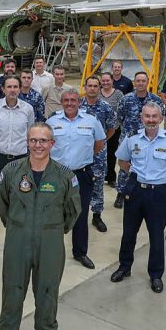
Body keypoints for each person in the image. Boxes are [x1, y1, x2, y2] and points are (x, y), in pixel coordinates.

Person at [0, 123, 81, 330]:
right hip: (17, 241)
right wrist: (18, 225)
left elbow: (72, 212)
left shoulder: (64, 176)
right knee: (11, 300)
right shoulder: (11, 171)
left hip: (50, 244)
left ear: (52, 143)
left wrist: (51, 229)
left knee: (47, 299)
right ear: (27, 142)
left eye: (43, 140)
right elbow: (1, 202)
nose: (38, 145)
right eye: (33, 140)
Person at [112, 102, 166, 293]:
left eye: (155, 117)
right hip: (135, 191)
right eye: (147, 116)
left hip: (158, 193)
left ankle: (155, 275)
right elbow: (122, 160)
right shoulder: (131, 138)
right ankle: (124, 267)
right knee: (129, 233)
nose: (151, 120)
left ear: (161, 118)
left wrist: (162, 179)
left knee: (156, 236)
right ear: (141, 118)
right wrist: (137, 176)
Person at [46, 89, 105, 269]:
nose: (70, 103)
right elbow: (45, 145)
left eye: (73, 100)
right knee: (54, 212)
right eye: (66, 100)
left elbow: (99, 143)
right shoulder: (52, 121)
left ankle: (80, 252)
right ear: (62, 102)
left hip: (82, 174)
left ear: (79, 102)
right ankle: (52, 251)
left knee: (80, 213)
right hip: (57, 174)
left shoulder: (91, 121)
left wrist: (83, 158)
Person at [0, 75, 35, 258]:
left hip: (20, 162)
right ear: (2, 89)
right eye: (9, 87)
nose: (12, 90)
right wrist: (0, 149)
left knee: (20, 202)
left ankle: (17, 243)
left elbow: (31, 135)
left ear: (20, 89)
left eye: (15, 86)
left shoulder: (27, 109)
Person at [114, 71, 165, 208]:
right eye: (138, 81)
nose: (141, 83)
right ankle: (121, 193)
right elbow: (120, 117)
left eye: (143, 81)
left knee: (147, 164)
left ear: (147, 82)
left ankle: (144, 192)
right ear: (134, 83)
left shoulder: (156, 100)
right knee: (125, 166)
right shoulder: (126, 99)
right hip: (129, 139)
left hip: (149, 139)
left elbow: (160, 117)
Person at [81, 76, 117, 232]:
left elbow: (112, 128)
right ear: (85, 87)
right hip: (79, 152)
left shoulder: (106, 107)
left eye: (96, 86)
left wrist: (100, 142)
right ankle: (75, 215)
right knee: (77, 184)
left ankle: (97, 216)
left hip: (98, 154)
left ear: (99, 87)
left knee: (97, 184)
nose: (93, 88)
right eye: (90, 85)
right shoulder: (78, 106)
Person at [100, 72, 125, 187]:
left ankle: (111, 178)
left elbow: (122, 110)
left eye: (107, 80)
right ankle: (99, 176)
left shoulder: (118, 94)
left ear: (112, 81)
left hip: (113, 130)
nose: (105, 83)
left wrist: (118, 124)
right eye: (103, 81)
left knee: (111, 154)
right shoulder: (97, 93)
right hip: (98, 130)